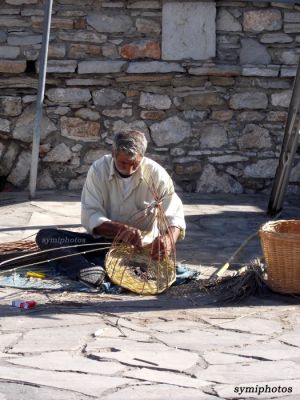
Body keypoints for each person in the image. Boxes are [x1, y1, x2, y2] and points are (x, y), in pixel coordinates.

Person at [36, 130, 186, 288]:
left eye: (134, 163)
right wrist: (119, 230)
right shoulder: (98, 169)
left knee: (123, 264)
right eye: (123, 163)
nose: (129, 169)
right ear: (113, 153)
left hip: (139, 251)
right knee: (47, 236)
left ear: (142, 156)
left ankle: (99, 269)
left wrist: (169, 239)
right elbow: (90, 215)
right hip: (102, 243)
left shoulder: (157, 174)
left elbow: (174, 214)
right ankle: (88, 270)